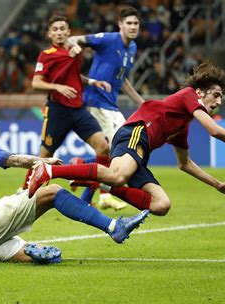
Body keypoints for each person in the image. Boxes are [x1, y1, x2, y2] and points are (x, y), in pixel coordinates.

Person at [28, 61, 225, 217]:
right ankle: (49, 170)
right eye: (216, 95)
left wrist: (217, 184)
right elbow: (214, 130)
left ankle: (90, 175)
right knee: (117, 175)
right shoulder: (187, 95)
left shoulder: (182, 124)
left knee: (161, 205)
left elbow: (184, 164)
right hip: (135, 131)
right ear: (200, 92)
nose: (218, 103)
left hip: (141, 151)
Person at [0, 117, 149, 264]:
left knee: (46, 257)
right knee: (52, 191)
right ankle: (114, 226)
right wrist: (44, 161)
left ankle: (33, 253)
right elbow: (16, 159)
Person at [20, 15, 112, 190]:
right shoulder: (46, 56)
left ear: (69, 32)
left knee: (103, 148)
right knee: (44, 157)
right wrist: (57, 88)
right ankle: (24, 193)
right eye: (55, 30)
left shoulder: (73, 52)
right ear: (49, 34)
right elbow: (36, 83)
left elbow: (73, 77)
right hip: (58, 111)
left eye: (63, 29)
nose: (59, 32)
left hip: (78, 109)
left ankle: (98, 187)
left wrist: (92, 82)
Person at [66, 6, 144, 210]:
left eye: (136, 23)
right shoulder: (108, 39)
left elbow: (122, 79)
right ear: (120, 24)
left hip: (110, 104)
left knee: (110, 153)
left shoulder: (132, 48)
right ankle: (83, 171)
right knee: (120, 148)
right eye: (129, 23)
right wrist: (74, 48)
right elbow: (75, 39)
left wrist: (141, 103)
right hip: (96, 101)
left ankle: (88, 188)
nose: (133, 26)